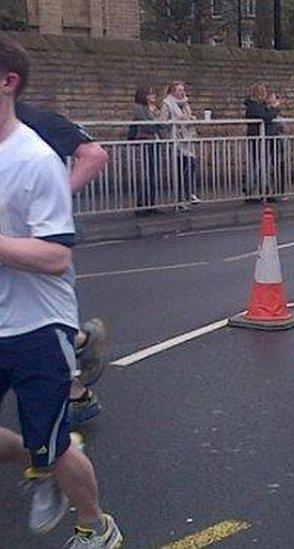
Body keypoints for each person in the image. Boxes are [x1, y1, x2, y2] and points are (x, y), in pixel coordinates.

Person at [0, 35, 123, 548]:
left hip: (35, 326)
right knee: (40, 448)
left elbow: (55, 257)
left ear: (8, 83)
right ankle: (41, 461)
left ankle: (97, 525)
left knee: (53, 446)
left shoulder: (34, 159)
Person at [15, 93, 109, 431]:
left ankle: (76, 395)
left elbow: (94, 155)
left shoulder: (35, 118)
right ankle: (81, 343)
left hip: (43, 238)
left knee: (44, 311)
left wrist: (57, 197)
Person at [160, 81, 201, 211]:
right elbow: (162, 122)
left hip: (188, 138)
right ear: (172, 91)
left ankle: (189, 193)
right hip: (177, 140)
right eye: (178, 90)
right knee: (181, 169)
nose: (182, 92)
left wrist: (191, 118)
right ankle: (179, 199)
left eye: (183, 90)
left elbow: (188, 116)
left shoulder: (185, 103)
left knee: (191, 165)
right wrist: (178, 120)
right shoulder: (167, 103)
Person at [130, 85, 165, 216]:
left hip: (155, 142)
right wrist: (156, 123)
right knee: (145, 174)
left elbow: (162, 124)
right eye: (150, 94)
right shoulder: (139, 108)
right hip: (145, 142)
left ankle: (152, 204)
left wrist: (156, 119)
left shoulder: (154, 109)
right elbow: (148, 125)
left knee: (153, 174)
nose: (153, 97)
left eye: (154, 94)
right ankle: (141, 206)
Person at [243, 84, 282, 202]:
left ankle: (262, 191)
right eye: (264, 92)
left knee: (260, 165)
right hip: (257, 138)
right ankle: (250, 191)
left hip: (260, 138)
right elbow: (266, 116)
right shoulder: (253, 106)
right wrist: (274, 108)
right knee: (257, 166)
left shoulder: (257, 105)